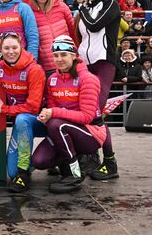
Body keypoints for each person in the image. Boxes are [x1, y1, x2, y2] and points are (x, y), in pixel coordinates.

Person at [31, 36, 107, 193]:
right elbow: (53, 109)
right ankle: (70, 163)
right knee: (39, 161)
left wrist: (54, 113)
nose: (59, 59)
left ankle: (75, 174)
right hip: (64, 129)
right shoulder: (52, 79)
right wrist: (46, 116)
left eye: (64, 54)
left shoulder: (88, 79)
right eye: (56, 55)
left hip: (90, 133)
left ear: (74, 56)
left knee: (57, 124)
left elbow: (87, 116)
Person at [0, 32, 46, 192]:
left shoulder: (34, 70)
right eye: (6, 48)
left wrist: (5, 109)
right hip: (22, 125)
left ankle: (24, 174)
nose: (10, 51)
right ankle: (22, 169)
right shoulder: (0, 68)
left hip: (42, 121)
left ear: (21, 47)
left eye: (14, 47)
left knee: (22, 119)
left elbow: (33, 107)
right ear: (1, 49)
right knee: (11, 172)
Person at [75, 0, 120, 180]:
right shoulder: (83, 10)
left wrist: (82, 9)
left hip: (103, 64)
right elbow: (80, 36)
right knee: (80, 110)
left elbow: (94, 25)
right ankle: (85, 156)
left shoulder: (111, 5)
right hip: (84, 65)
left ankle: (110, 162)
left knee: (95, 111)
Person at [29, 0, 76, 76]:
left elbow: (73, 33)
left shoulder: (62, 7)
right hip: (47, 68)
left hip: (68, 65)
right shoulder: (29, 12)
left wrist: (76, 57)